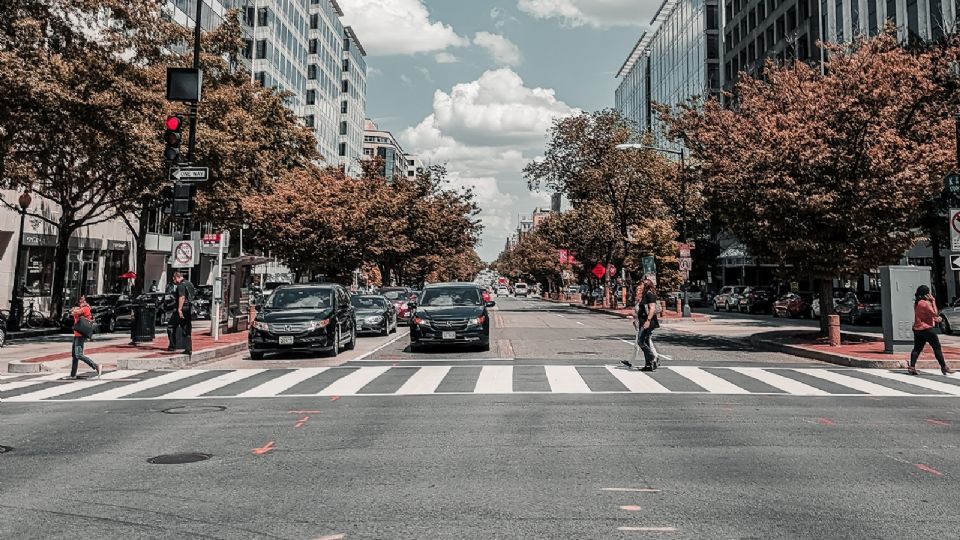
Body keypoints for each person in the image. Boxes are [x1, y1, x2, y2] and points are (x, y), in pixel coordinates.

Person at [908, 285, 954, 376]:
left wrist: (935, 318)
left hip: (917, 328)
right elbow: (935, 313)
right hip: (927, 329)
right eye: (928, 293)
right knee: (937, 348)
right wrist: (933, 301)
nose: (930, 294)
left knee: (917, 348)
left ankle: (912, 367)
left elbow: (926, 315)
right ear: (926, 294)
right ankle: (944, 367)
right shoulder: (925, 303)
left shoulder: (917, 303)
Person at [622, 277, 661, 371]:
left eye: (642, 284)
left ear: (646, 285)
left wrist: (648, 321)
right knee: (646, 341)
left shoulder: (650, 294)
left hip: (648, 322)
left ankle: (653, 358)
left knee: (640, 341)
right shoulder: (645, 295)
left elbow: (652, 308)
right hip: (642, 321)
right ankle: (649, 365)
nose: (640, 285)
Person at [69, 295, 101, 379]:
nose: (80, 300)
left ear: (84, 300)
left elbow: (75, 312)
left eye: (82, 298)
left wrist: (74, 310)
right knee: (74, 355)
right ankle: (73, 374)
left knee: (78, 355)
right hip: (76, 334)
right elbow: (73, 312)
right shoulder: (80, 308)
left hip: (80, 335)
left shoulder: (85, 308)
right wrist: (74, 310)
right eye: (79, 299)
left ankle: (95, 365)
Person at [167, 272, 195, 355]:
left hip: (182, 308)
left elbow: (182, 297)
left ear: (177, 277)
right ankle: (188, 348)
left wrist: (179, 309)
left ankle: (172, 346)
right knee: (186, 328)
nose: (174, 281)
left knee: (170, 327)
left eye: (174, 279)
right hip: (188, 308)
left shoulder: (181, 285)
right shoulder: (190, 284)